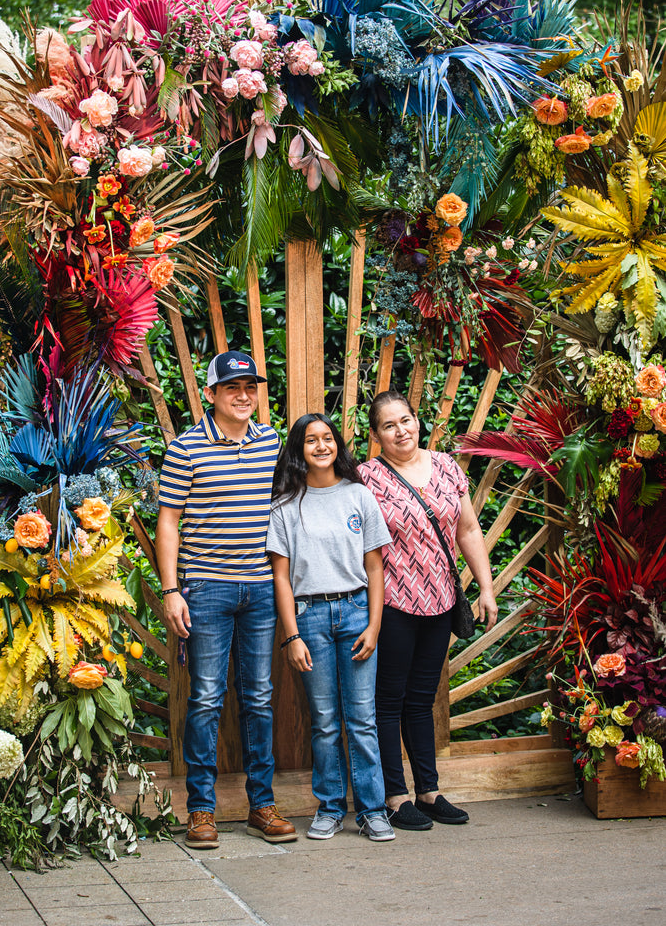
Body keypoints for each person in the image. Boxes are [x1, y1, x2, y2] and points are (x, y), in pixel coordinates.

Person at [156, 350, 297, 849]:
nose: (244, 395)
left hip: (260, 587)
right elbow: (168, 523)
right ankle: (200, 812)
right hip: (207, 589)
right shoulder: (186, 449)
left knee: (259, 699)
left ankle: (262, 806)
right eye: (233, 387)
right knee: (206, 700)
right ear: (210, 394)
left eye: (251, 387)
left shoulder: (270, 442)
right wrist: (172, 591)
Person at [358, 390, 498, 831]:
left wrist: (486, 588)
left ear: (418, 420)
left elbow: (468, 529)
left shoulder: (447, 467)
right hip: (393, 602)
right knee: (388, 701)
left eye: (406, 420)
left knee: (421, 699)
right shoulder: (366, 478)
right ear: (376, 435)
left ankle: (429, 791)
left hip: (441, 600)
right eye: (389, 425)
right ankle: (395, 797)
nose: (401, 431)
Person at [266, 413, 395, 842]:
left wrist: (374, 626)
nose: (321, 446)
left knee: (362, 719)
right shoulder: (285, 505)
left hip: (356, 613)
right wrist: (292, 635)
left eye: (327, 438)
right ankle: (330, 807)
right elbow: (280, 577)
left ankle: (373, 810)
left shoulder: (358, 496)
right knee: (323, 720)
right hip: (311, 619)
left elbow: (375, 569)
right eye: (310, 440)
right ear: (298, 450)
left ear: (337, 444)